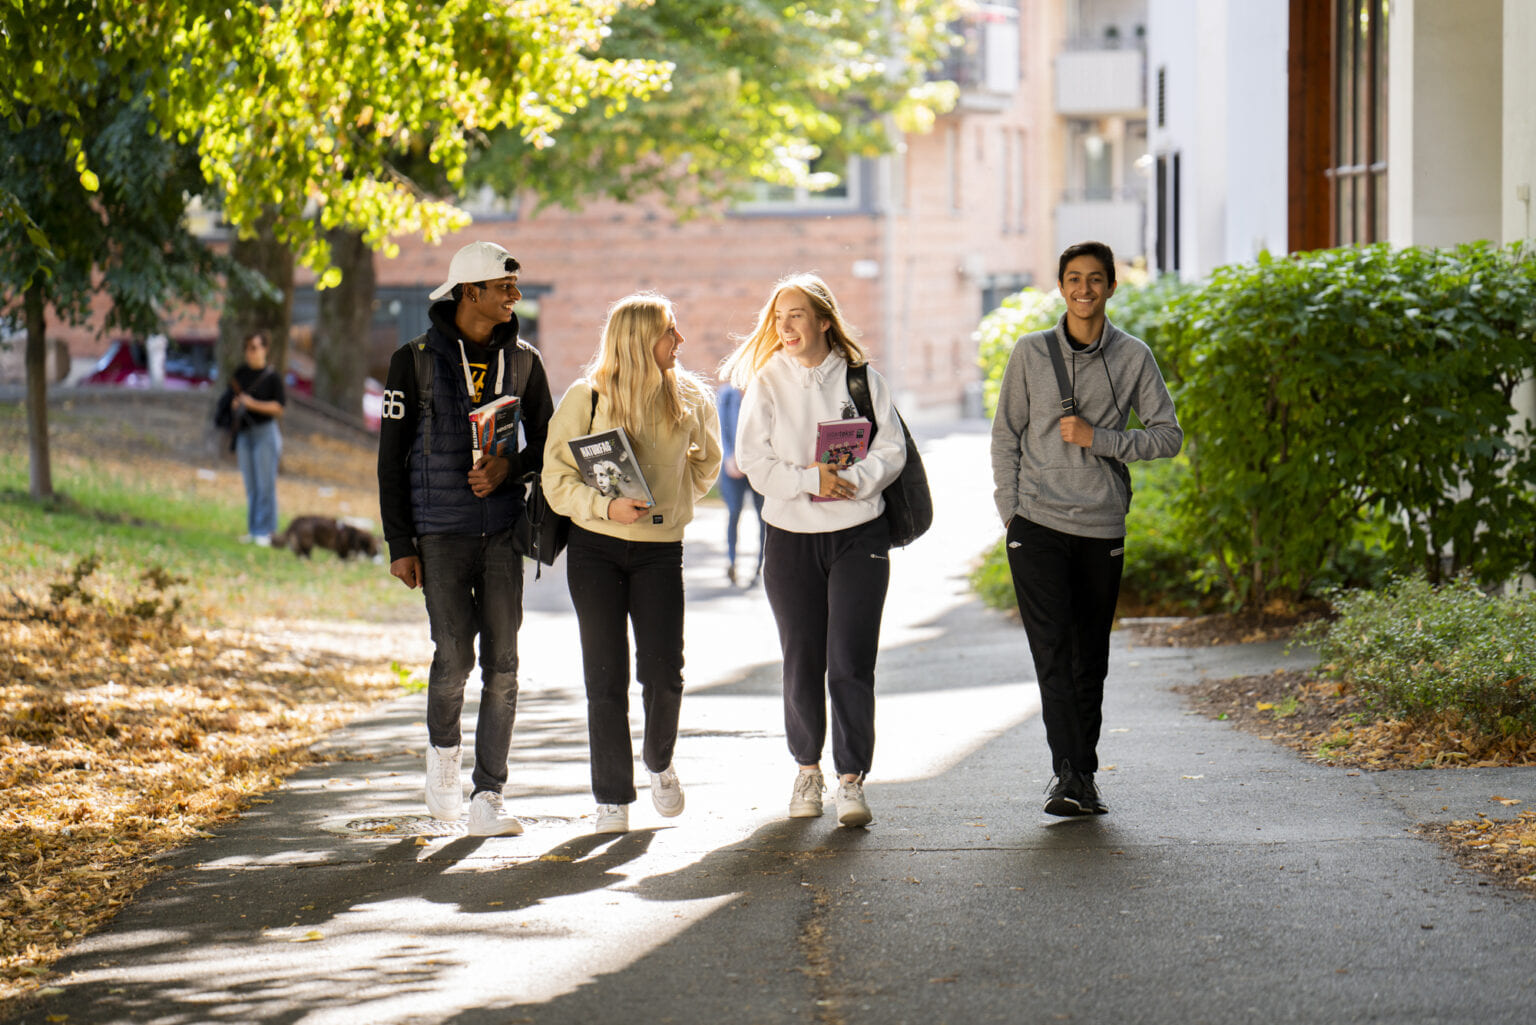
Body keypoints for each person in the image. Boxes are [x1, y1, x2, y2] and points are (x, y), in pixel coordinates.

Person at [989, 240, 1183, 817]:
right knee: (1051, 652)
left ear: (1110, 287)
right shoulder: (1030, 353)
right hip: (1038, 523)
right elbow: (1006, 435)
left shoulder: (1132, 357)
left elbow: (1167, 435)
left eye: (1095, 279)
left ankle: (1081, 774)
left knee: (1088, 656)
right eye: (1073, 278)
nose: (1083, 289)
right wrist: (1011, 512)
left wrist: (1100, 439)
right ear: (1061, 286)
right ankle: (1070, 775)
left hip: (1100, 523)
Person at [377, 241, 554, 837]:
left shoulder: (526, 361)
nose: (515, 295)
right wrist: (400, 542)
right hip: (440, 534)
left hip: (504, 532)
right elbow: (390, 458)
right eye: (504, 287)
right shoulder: (414, 360)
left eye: (516, 285)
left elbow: (549, 446)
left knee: (504, 664)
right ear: (469, 292)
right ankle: (443, 760)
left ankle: (490, 795)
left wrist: (512, 469)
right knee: (455, 656)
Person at [722, 272, 906, 828]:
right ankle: (807, 770)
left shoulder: (862, 378)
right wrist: (811, 480)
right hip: (791, 537)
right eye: (779, 318)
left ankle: (851, 781)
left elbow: (892, 447)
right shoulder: (767, 381)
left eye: (796, 315)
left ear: (824, 320)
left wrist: (859, 478)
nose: (786, 327)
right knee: (802, 658)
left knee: (850, 660)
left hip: (859, 533)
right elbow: (752, 461)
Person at [542, 292, 721, 835]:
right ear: (641, 339)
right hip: (595, 549)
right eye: (671, 331)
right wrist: (605, 506)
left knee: (664, 673)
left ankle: (659, 762)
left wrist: (670, 504)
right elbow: (556, 479)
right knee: (605, 677)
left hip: (660, 552)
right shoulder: (586, 397)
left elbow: (708, 462)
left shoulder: (688, 396)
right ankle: (612, 798)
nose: (681, 341)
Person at [221, 331, 286, 546]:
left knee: (265, 483)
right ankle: (254, 529)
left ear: (265, 349)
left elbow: (278, 408)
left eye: (255, 348)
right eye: (248, 348)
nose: (251, 353)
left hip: (265, 433)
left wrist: (252, 404)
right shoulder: (240, 373)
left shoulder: (273, 377)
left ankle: (267, 531)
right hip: (244, 434)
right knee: (251, 485)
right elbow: (232, 397)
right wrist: (236, 404)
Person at [715, 381, 766, 586]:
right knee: (734, 512)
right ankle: (732, 562)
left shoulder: (763, 391)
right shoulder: (727, 395)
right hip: (732, 466)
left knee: (763, 517)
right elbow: (719, 428)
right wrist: (729, 457)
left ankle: (759, 566)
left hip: (759, 467)